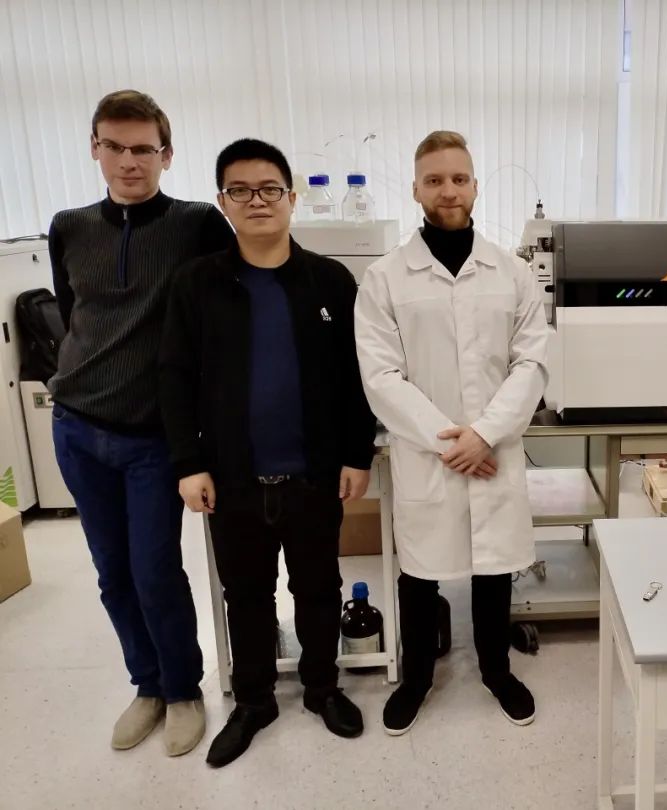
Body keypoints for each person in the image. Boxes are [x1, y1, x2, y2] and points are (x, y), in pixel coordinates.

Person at [159, 138, 376, 767]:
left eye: (269, 189)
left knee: (319, 587)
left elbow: (357, 377)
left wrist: (357, 454)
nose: (257, 201)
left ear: (291, 197)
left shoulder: (330, 281)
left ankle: (322, 687)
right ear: (223, 201)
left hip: (314, 475)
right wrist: (188, 463)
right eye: (240, 190)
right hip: (233, 479)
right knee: (246, 595)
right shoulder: (197, 283)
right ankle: (253, 701)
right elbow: (174, 377)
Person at [49, 89, 234, 757]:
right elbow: (73, 312)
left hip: (152, 436)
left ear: (167, 154)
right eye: (115, 147)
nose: (129, 161)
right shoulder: (69, 226)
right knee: (112, 574)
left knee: (154, 569)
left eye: (143, 149)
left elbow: (220, 316)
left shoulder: (196, 224)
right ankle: (147, 685)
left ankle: (182, 689)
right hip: (77, 428)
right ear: (95, 149)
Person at [355, 130, 549, 735]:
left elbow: (532, 362)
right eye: (434, 180)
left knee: (494, 569)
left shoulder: (513, 273)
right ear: (416, 189)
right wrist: (454, 440)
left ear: (475, 186)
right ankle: (416, 678)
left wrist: (485, 435)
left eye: (459, 179)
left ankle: (496, 671)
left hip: (493, 447)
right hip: (428, 453)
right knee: (419, 572)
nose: (448, 190)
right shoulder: (386, 278)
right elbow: (381, 375)